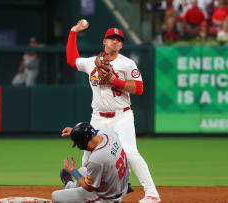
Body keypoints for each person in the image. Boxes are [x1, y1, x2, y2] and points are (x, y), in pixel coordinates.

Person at [65, 20, 161, 203]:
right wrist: (73, 31)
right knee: (87, 158)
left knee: (130, 152)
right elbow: (71, 59)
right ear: (104, 41)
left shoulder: (127, 64)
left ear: (121, 44)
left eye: (118, 39)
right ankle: (89, 193)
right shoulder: (92, 62)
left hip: (121, 116)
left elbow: (139, 88)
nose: (115, 42)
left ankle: (152, 194)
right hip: (98, 117)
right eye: (111, 38)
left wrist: (114, 80)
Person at [52, 122, 130, 203]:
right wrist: (74, 132)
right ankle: (69, 186)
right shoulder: (109, 134)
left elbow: (89, 188)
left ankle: (69, 186)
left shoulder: (96, 159)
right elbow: (91, 132)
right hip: (121, 186)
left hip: (107, 198)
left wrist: (73, 171)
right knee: (82, 170)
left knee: (55, 196)